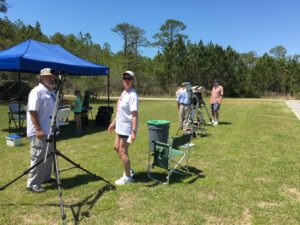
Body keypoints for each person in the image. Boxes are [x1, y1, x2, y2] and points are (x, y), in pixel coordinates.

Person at [26, 68, 56, 193]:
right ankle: (32, 184)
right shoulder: (36, 91)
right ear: (41, 77)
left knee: (48, 156)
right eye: (48, 76)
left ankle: (45, 177)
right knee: (38, 157)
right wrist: (38, 129)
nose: (51, 78)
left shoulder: (51, 92)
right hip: (39, 131)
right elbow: (32, 111)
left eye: (52, 76)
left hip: (49, 130)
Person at [108, 71, 138, 185]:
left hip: (127, 128)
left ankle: (128, 177)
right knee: (116, 147)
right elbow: (120, 111)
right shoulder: (124, 93)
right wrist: (113, 123)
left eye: (129, 78)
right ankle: (129, 169)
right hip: (120, 127)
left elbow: (134, 115)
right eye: (125, 78)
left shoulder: (132, 95)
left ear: (132, 80)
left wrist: (133, 131)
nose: (126, 80)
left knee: (123, 151)